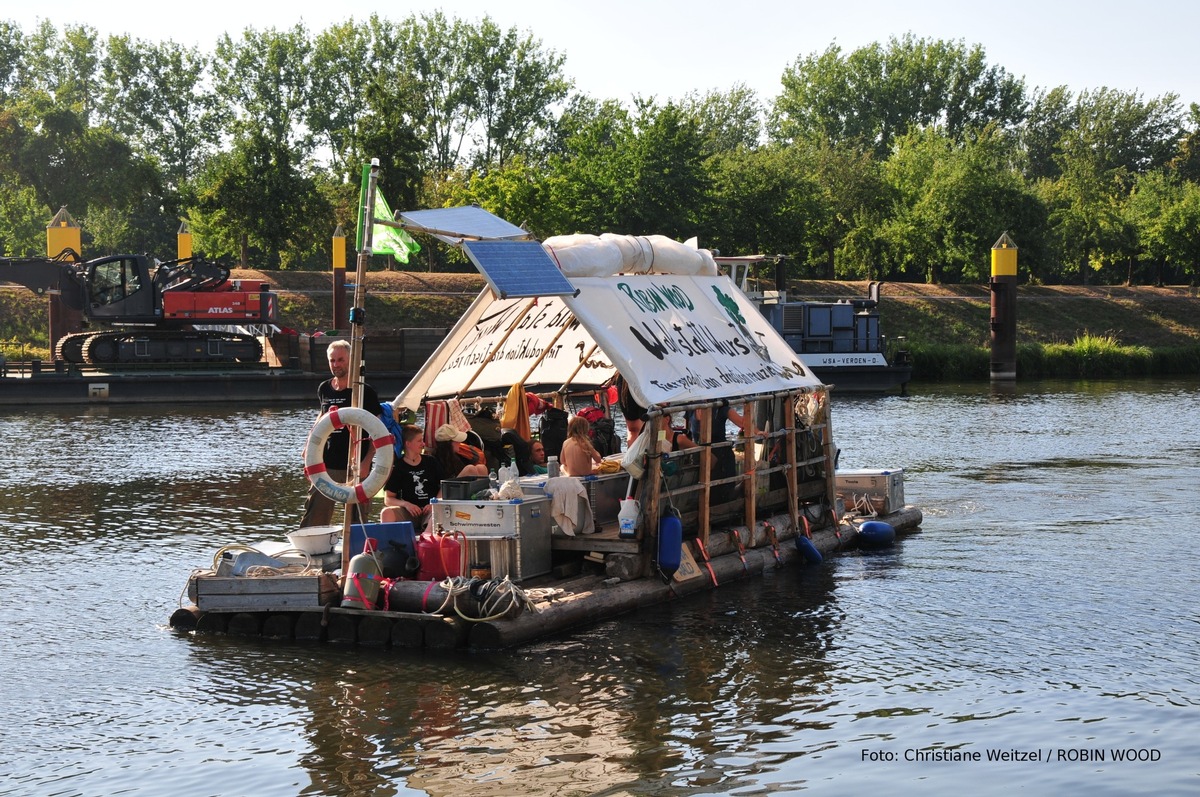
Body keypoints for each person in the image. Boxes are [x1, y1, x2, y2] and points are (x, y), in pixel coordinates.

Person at [300, 339, 381, 528]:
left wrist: (366, 462)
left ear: (351, 360)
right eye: (332, 360)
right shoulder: (324, 389)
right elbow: (321, 418)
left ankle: (356, 551)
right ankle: (310, 549)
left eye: (340, 360)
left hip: (355, 464)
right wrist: (308, 448)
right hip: (327, 463)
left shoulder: (364, 392)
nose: (336, 364)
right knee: (315, 511)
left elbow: (376, 430)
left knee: (357, 518)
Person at [381, 425, 442, 531]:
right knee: (386, 512)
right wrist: (406, 504)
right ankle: (389, 544)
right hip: (409, 512)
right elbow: (388, 499)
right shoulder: (398, 466)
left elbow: (444, 487)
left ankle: (425, 541)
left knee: (438, 514)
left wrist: (435, 503)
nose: (423, 444)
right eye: (419, 441)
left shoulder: (430, 461)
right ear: (408, 444)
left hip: (431, 511)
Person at [614, 373, 646, 446]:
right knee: (654, 427)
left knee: (633, 430)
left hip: (626, 381)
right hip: (638, 381)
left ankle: (633, 455)